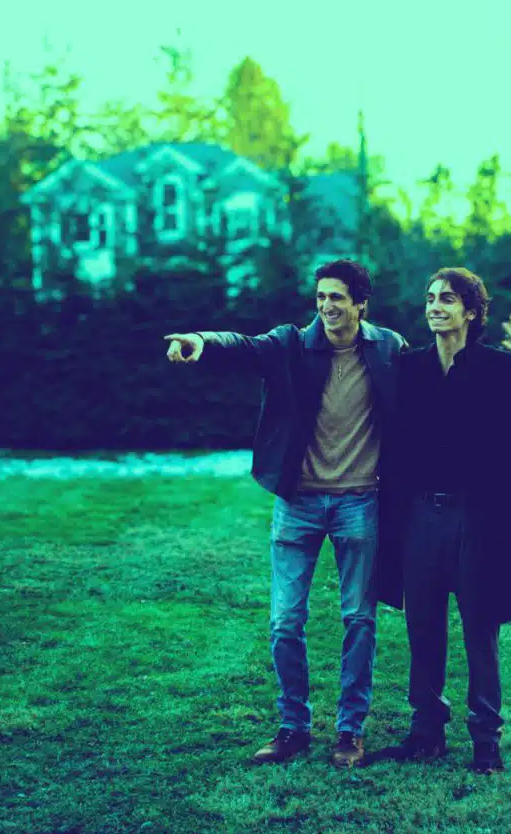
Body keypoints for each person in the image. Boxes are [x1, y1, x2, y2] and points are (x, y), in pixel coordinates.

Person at [164, 259, 406, 768]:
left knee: (359, 619)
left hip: (360, 501)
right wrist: (201, 341)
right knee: (284, 622)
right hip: (297, 503)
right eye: (320, 296)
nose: (326, 306)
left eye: (337, 297)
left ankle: (349, 731)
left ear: (361, 304)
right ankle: (293, 727)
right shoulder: (291, 344)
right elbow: (243, 346)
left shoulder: (388, 349)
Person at [376, 268, 511, 775]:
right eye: (429, 297)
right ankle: (426, 731)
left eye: (447, 299)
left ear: (470, 311)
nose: (434, 306)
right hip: (422, 513)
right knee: (423, 625)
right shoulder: (409, 368)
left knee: (480, 627)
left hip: (480, 517)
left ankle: (486, 737)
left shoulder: (500, 369)